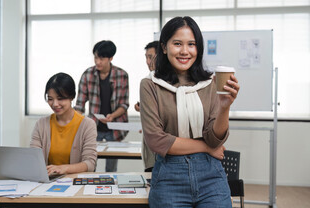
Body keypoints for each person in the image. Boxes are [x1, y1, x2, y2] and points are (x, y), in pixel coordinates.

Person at [140, 16, 240, 207]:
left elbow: (214, 139)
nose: (184, 51)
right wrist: (206, 148)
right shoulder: (150, 85)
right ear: (164, 47)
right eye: (177, 43)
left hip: (211, 175)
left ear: (198, 48)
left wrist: (225, 106)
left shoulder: (210, 82)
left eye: (191, 44)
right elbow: (156, 140)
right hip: (169, 175)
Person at [75, 40, 129, 172]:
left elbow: (124, 104)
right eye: (95, 57)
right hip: (93, 126)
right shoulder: (87, 74)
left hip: (115, 127)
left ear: (111, 58)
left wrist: (112, 116)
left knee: (111, 168)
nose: (97, 61)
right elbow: (80, 104)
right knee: (89, 164)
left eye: (102, 58)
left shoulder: (122, 75)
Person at [30, 72, 97, 175]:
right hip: (47, 183)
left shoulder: (87, 125)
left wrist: (64, 169)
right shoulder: (41, 124)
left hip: (75, 183)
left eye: (60, 99)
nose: (55, 104)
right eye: (50, 99)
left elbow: (90, 164)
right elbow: (33, 158)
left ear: (72, 97)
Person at [134, 41, 159, 172]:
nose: (147, 62)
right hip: (150, 151)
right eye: (146, 57)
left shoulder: (165, 83)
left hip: (160, 154)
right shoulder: (148, 82)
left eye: (150, 57)